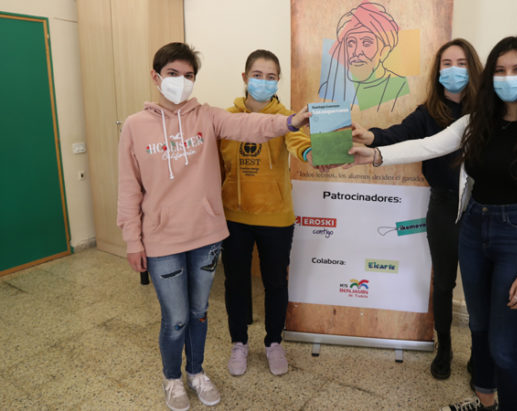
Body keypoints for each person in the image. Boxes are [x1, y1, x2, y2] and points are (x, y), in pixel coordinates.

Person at [348, 35, 517, 411]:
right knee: (479, 330)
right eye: (500, 70)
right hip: (473, 230)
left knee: (505, 346)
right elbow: (429, 146)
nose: (507, 77)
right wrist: (376, 155)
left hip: (516, 237)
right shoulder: (476, 122)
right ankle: (485, 403)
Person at [117, 42, 310, 411]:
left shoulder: (207, 116)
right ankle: (172, 378)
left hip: (206, 235)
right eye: (173, 74)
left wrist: (290, 121)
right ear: (156, 77)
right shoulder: (135, 126)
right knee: (175, 319)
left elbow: (250, 125)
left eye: (189, 76)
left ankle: (197, 371)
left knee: (199, 312)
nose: (181, 82)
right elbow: (128, 188)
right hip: (162, 239)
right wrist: (132, 239)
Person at [351, 38, 482, 380]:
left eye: (461, 63)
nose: (453, 70)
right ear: (438, 71)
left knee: (480, 285)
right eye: (446, 64)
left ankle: (480, 352)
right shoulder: (429, 112)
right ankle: (445, 347)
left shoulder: (488, 111)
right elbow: (401, 135)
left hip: (482, 207)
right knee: (443, 283)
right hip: (442, 203)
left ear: (475, 68)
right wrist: (371, 137)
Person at [220, 49, 320, 377]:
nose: (264, 82)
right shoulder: (226, 118)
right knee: (236, 282)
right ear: (245, 78)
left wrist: (316, 154)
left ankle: (274, 342)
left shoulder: (288, 118)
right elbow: (215, 167)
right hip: (234, 216)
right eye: (258, 75)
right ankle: (239, 343)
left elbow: (300, 144)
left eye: (271, 76)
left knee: (275, 282)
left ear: (279, 80)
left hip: (276, 218)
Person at [318, 2, 409, 111]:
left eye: (366, 43)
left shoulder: (398, 87)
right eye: (351, 43)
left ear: (385, 51)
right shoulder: (330, 88)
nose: (357, 52)